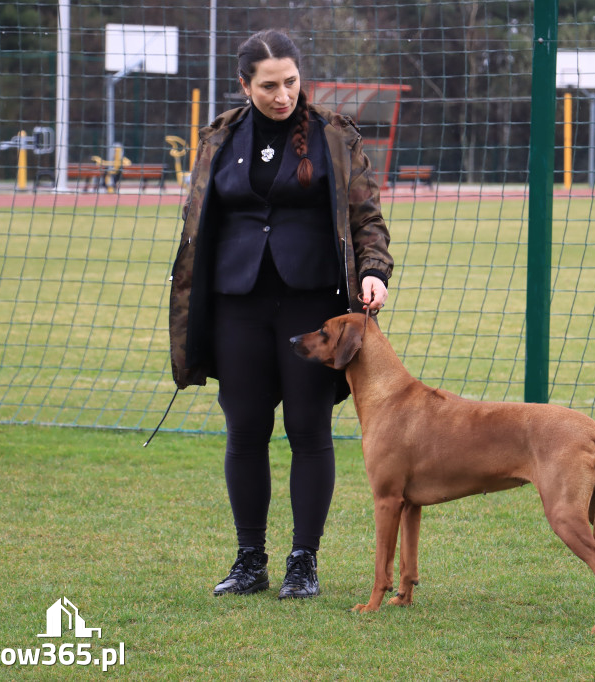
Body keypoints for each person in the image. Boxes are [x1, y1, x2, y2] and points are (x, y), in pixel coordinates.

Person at [168, 29, 393, 600]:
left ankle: (303, 560)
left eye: (291, 82)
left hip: (311, 305)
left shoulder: (333, 136)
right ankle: (250, 560)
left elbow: (367, 216)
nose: (282, 94)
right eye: (269, 85)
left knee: (308, 430)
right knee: (245, 430)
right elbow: (201, 220)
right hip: (235, 306)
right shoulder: (221, 136)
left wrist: (374, 270)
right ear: (245, 85)